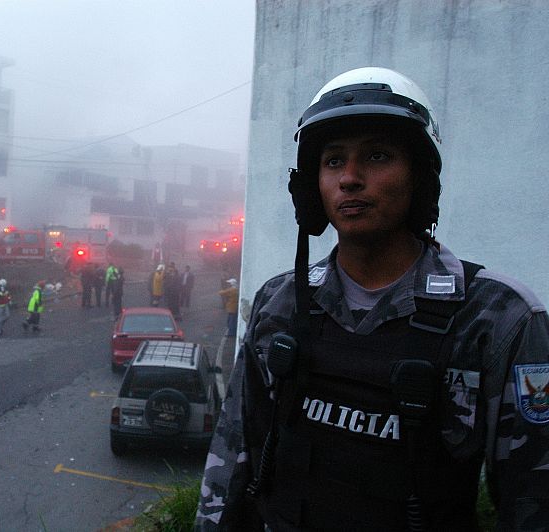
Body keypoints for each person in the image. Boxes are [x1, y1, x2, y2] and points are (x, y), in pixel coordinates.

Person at [196, 67, 549, 530]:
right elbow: (230, 463)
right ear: (311, 186)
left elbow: (533, 504)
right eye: (333, 161)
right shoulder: (280, 303)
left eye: (377, 156)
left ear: (419, 178)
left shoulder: (499, 319)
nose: (350, 179)